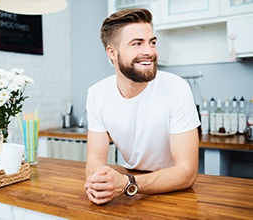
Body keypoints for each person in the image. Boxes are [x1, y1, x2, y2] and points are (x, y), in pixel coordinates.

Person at [84, 8, 200, 205]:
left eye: (152, 42)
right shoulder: (97, 94)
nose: (149, 51)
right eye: (137, 43)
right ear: (112, 52)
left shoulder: (176, 88)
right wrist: (99, 182)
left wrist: (127, 183)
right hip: (129, 188)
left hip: (172, 190)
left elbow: (187, 172)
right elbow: (95, 157)